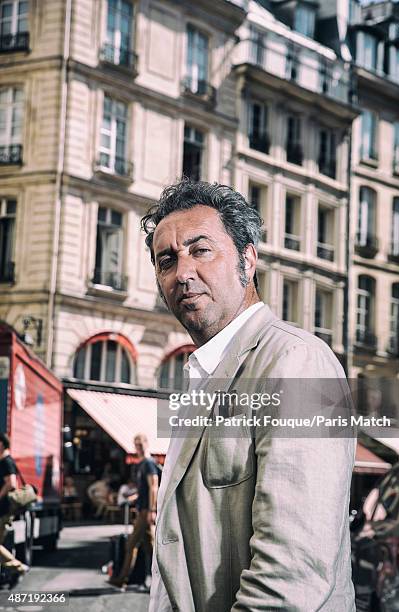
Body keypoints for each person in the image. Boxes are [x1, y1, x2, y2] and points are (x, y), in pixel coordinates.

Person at [141, 178, 356, 611]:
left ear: (248, 259)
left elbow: (289, 577)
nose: (183, 273)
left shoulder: (296, 362)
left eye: (201, 250)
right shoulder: (205, 372)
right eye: (167, 260)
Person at [109, 433, 159, 590]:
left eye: (141, 444)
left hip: (146, 511)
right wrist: (133, 498)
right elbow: (144, 489)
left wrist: (152, 510)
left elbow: (154, 487)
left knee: (131, 544)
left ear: (146, 444)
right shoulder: (142, 464)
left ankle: (122, 579)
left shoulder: (149, 463)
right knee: (151, 548)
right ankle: (161, 581)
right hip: (142, 509)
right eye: (136, 445)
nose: (139, 447)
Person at [0, 433, 29, 578]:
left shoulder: (6, 462)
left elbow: (11, 483)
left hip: (2, 509)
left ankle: (18, 566)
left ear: (1, 444)